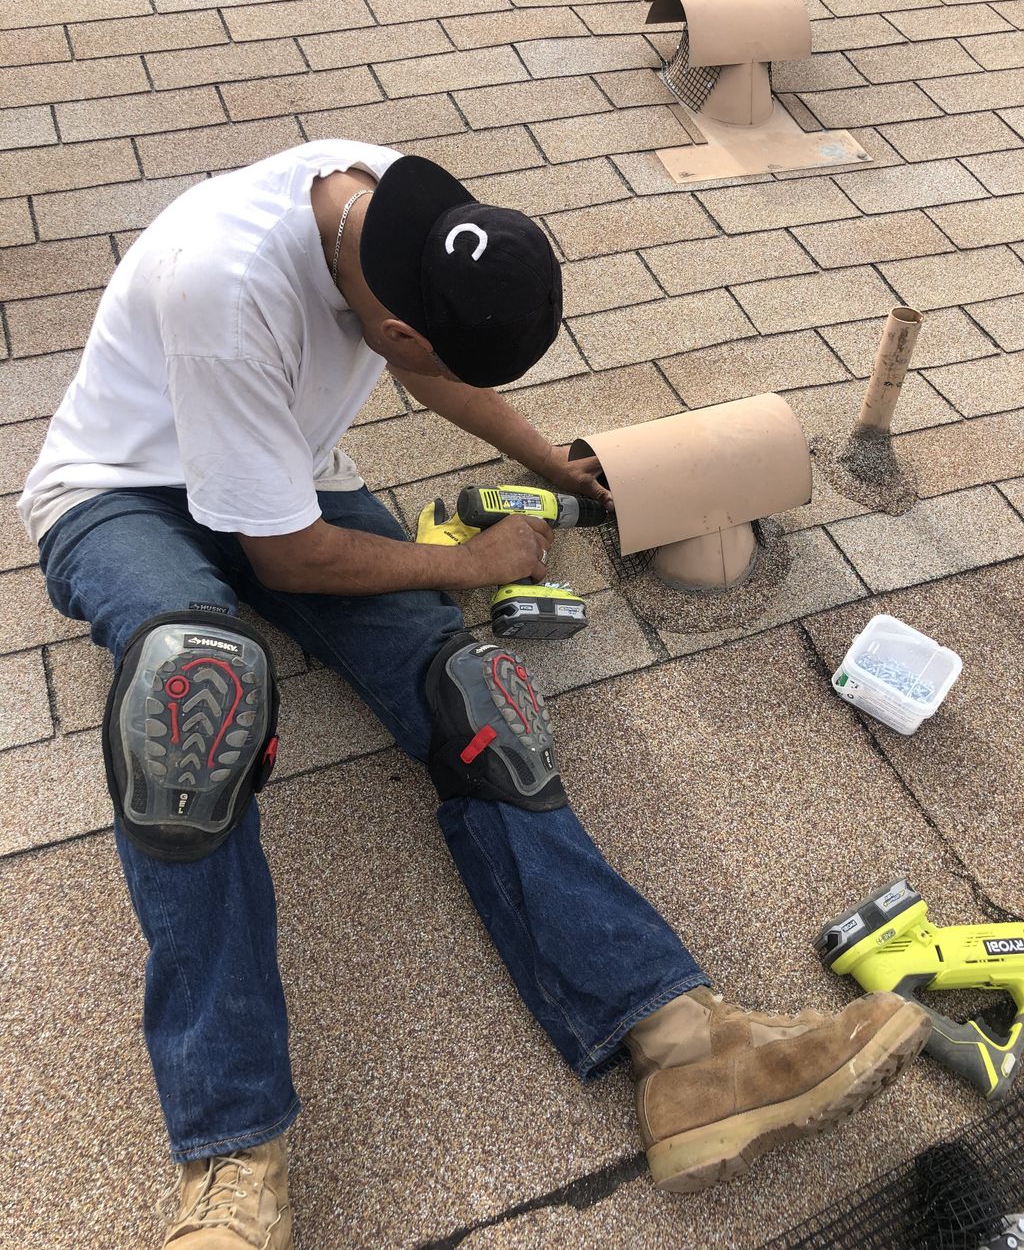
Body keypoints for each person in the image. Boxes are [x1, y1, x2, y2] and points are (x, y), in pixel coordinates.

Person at [18, 142, 929, 1249]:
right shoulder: (222, 280)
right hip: (122, 493)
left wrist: (550, 463)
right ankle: (230, 1155)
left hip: (277, 475)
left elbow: (426, 368)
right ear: (395, 319)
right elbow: (292, 561)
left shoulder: (397, 210)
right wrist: (481, 565)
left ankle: (688, 1051)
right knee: (190, 700)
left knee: (476, 693)